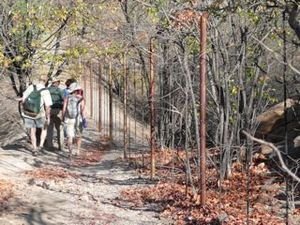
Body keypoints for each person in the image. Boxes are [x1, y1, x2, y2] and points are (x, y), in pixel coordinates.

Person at [20, 77, 52, 155]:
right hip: (40, 114)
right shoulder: (45, 91)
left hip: (28, 113)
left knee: (32, 130)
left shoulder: (30, 87)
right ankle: (40, 146)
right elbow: (48, 106)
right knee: (44, 128)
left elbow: (23, 100)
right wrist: (48, 117)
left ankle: (34, 148)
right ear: (44, 82)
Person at [62, 83, 86, 158]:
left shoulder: (67, 97)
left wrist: (63, 117)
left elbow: (64, 109)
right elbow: (82, 110)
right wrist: (84, 118)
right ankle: (78, 150)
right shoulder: (81, 98)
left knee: (70, 136)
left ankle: (70, 152)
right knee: (78, 135)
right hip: (78, 119)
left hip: (68, 119)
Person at [46, 77, 64, 150]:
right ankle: (61, 146)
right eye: (58, 82)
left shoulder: (47, 90)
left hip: (49, 110)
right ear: (56, 82)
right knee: (60, 128)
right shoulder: (59, 90)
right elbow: (64, 99)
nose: (59, 83)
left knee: (50, 128)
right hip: (58, 110)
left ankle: (50, 145)